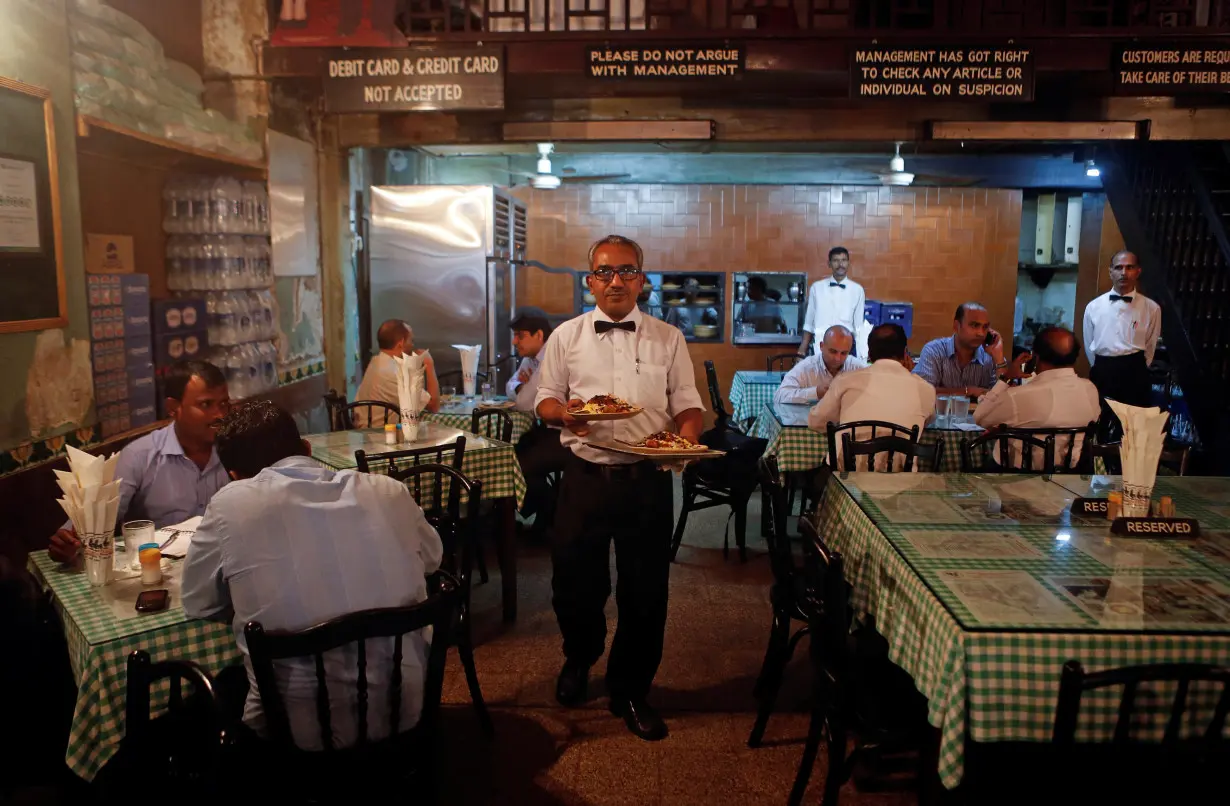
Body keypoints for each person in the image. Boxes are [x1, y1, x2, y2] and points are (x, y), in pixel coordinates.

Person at [182, 400, 443, 750]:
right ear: (306, 448)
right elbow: (432, 558)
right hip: (407, 712)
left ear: (234, 475)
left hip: (297, 738)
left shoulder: (230, 505)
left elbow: (198, 602)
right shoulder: (389, 492)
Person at [535, 234, 704, 742]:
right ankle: (580, 657)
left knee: (646, 591)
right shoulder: (565, 336)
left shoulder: (668, 338)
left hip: (645, 481)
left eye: (626, 271)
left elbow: (688, 406)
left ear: (642, 280)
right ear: (590, 281)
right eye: (605, 272)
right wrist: (564, 413)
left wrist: (685, 442)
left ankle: (630, 688)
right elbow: (545, 400)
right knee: (574, 584)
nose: (615, 281)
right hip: (584, 479)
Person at [47, 360, 231, 564]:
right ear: (173, 408)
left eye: (224, 404)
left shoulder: (237, 448)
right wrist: (68, 541)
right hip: (159, 572)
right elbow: (96, 520)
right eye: (206, 404)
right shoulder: (140, 456)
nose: (220, 415)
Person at [809, 323, 936, 469]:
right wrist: (911, 376)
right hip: (901, 483)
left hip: (846, 481)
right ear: (905, 352)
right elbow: (928, 420)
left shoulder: (846, 381)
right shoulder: (924, 389)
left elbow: (816, 421)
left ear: (869, 354)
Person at [975, 326, 1101, 465]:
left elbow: (980, 417)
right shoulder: (1090, 389)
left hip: (1016, 479)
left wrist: (1006, 377)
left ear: (1035, 356)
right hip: (1072, 478)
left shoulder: (1019, 396)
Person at [1082, 250, 1162, 441]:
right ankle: (1099, 468)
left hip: (1134, 370)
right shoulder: (1094, 306)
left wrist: (1139, 366)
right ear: (1110, 272)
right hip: (1103, 369)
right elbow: (1089, 343)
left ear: (1138, 271)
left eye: (1129, 267)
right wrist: (1100, 366)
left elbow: (1150, 345)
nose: (1123, 272)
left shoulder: (1151, 308)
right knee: (1098, 424)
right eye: (1118, 267)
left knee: (1133, 430)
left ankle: (1128, 469)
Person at [507, 307, 570, 538]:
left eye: (520, 335)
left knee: (517, 467)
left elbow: (523, 403)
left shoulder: (551, 358)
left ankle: (552, 512)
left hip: (567, 434)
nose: (515, 341)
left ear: (539, 336)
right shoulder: (531, 359)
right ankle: (545, 514)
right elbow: (511, 387)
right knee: (508, 455)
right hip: (543, 431)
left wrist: (521, 390)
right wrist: (520, 387)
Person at [353, 319, 441, 427]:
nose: (413, 345)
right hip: (383, 435)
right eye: (411, 340)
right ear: (400, 344)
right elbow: (433, 405)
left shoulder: (375, 362)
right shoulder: (395, 373)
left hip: (363, 432)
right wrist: (429, 364)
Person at [912, 302, 1005, 398]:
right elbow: (922, 392)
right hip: (940, 413)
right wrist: (968, 391)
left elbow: (1002, 397)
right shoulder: (934, 351)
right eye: (974, 325)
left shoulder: (990, 356)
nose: (981, 333)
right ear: (956, 326)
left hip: (979, 413)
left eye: (985, 327)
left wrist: (1000, 360)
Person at [774, 325, 867, 406]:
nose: (837, 358)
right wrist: (816, 392)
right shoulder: (806, 367)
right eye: (833, 351)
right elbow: (779, 396)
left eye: (844, 353)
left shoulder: (858, 368)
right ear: (821, 346)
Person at [799, 247, 866, 357]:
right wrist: (802, 348)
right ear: (829, 264)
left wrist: (862, 355)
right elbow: (809, 322)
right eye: (836, 260)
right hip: (821, 346)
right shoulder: (817, 288)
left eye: (844, 260)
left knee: (845, 375)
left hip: (846, 347)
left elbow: (858, 327)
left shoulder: (857, 290)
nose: (840, 264)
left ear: (848, 263)